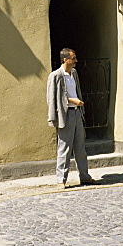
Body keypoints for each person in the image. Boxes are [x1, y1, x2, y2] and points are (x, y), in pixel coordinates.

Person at [46, 47, 96, 187]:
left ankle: (85, 176)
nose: (76, 61)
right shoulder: (55, 76)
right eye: (73, 58)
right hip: (65, 114)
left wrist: (78, 105)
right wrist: (71, 101)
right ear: (65, 60)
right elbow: (52, 98)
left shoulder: (74, 73)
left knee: (80, 147)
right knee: (64, 148)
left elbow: (77, 91)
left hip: (76, 113)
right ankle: (61, 180)